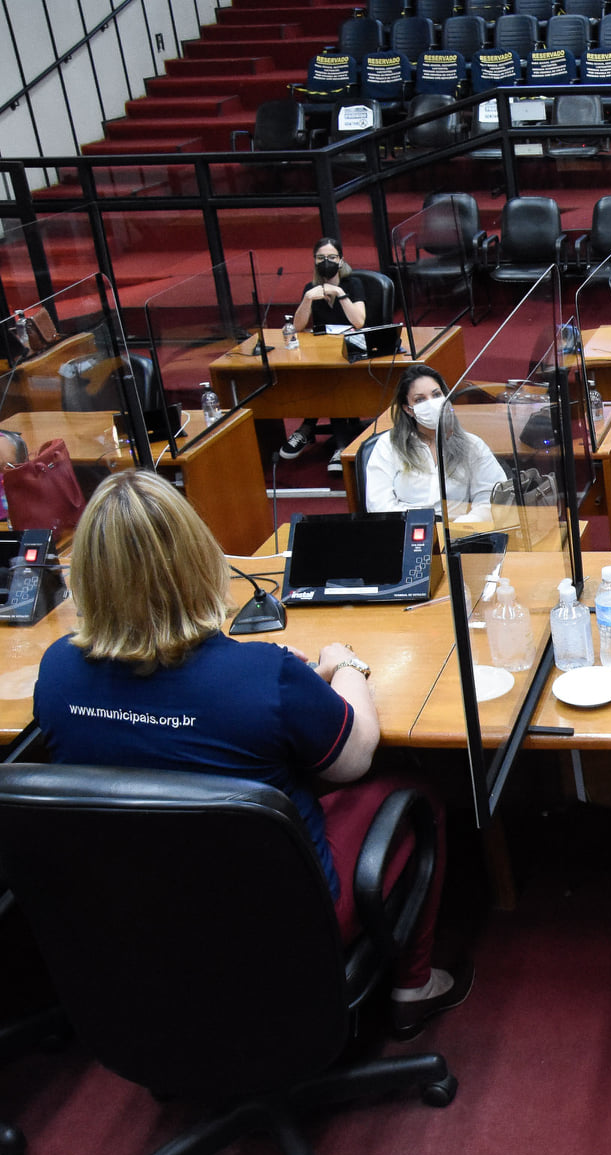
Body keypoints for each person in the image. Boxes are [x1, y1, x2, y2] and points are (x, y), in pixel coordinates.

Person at [31, 469, 472, 1039]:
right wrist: (344, 665)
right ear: (198, 560)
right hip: (284, 916)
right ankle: (413, 987)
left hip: (137, 914)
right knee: (414, 792)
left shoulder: (58, 673)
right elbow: (354, 756)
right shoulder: (263, 675)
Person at [365, 365, 507, 519]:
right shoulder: (388, 444)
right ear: (408, 409)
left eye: (436, 395)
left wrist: (461, 528)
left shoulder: (472, 445)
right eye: (420, 399)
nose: (431, 403)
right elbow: (378, 503)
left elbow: (491, 498)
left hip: (458, 533)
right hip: (405, 532)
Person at [280, 237, 369, 475]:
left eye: (331, 257)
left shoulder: (353, 284)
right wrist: (308, 298)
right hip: (322, 353)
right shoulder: (310, 289)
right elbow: (297, 327)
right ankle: (314, 430)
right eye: (321, 258)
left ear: (340, 260)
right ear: (314, 261)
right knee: (320, 376)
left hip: (351, 353)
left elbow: (359, 322)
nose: (326, 262)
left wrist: (339, 293)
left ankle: (320, 434)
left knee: (333, 381)